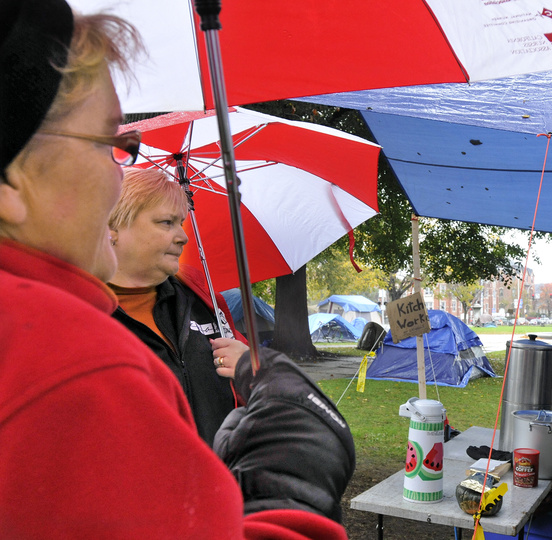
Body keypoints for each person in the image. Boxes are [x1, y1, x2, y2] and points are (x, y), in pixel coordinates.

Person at [0, 1, 353, 537]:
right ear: (10, 184)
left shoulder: (194, 302)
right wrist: (288, 489)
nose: (119, 176)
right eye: (111, 144)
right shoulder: (73, 362)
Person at [108, 167, 247, 446]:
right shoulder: (78, 314)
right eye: (166, 222)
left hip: (226, 479)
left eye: (181, 222)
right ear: (112, 229)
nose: (183, 236)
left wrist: (252, 368)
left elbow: (253, 388)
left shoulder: (201, 296)